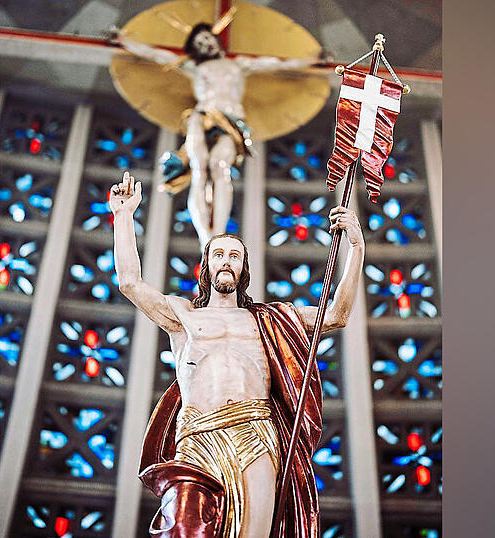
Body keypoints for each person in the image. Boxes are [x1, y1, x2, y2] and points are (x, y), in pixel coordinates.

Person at [109, 172, 364, 537]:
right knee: (183, 527)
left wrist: (356, 248)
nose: (226, 260)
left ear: (244, 269)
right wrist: (123, 217)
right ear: (206, 266)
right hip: (197, 432)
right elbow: (129, 282)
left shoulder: (270, 320)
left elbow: (337, 314)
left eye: (234, 255)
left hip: (255, 429)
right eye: (218, 254)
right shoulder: (183, 316)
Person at [112, 24, 325, 248]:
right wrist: (124, 41)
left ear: (215, 39)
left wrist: (311, 60)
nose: (205, 45)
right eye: (199, 44)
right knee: (199, 167)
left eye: (207, 39)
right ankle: (205, 236)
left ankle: (218, 234)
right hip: (202, 116)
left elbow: (277, 64)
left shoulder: (239, 64)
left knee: (220, 166)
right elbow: (156, 54)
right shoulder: (193, 66)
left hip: (231, 120)